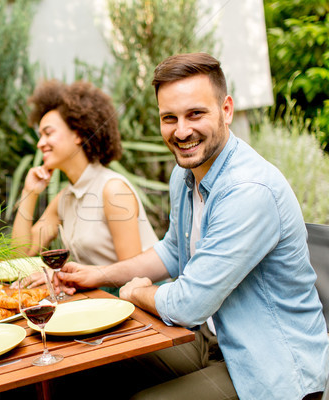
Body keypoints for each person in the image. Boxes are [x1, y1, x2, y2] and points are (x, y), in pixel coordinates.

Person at [57, 53, 328, 399]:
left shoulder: (247, 191)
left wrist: (136, 292)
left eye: (195, 114)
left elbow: (188, 305)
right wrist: (99, 275)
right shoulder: (184, 174)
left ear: (226, 110)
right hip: (210, 339)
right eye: (169, 118)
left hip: (272, 369)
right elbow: (172, 250)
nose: (182, 131)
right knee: (88, 366)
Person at [11, 80, 158, 294]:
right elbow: (22, 255)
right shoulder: (64, 198)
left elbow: (134, 276)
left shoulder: (113, 189)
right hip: (101, 302)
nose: (40, 143)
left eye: (48, 133)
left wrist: (64, 276)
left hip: (141, 308)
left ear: (78, 134)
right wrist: (29, 193)